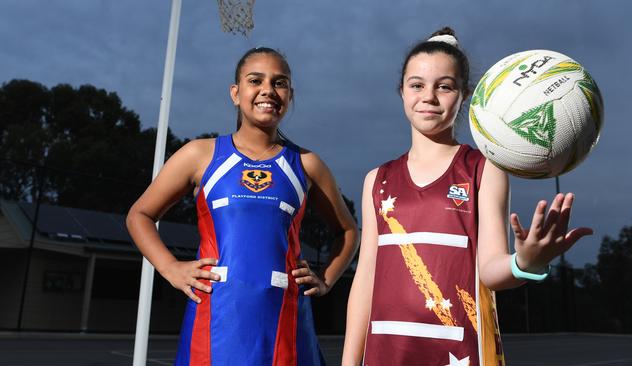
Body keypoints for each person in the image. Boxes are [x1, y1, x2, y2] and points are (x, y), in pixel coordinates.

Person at [342, 27, 592, 366]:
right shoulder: (378, 179)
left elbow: (490, 269)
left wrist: (525, 264)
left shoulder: (483, 168)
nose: (428, 96)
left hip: (458, 351)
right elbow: (366, 278)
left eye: (444, 86)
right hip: (387, 352)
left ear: (464, 94)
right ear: (401, 91)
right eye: (417, 85)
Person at [126, 47, 359, 365]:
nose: (268, 90)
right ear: (236, 93)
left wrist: (327, 278)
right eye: (255, 80)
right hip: (216, 319)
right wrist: (170, 268)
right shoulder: (200, 154)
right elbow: (139, 215)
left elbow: (347, 231)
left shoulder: (306, 164)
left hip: (287, 321)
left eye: (280, 82)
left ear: (290, 95)